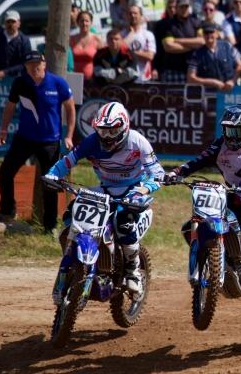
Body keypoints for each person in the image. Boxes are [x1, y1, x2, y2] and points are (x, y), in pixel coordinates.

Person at [43, 102, 163, 297]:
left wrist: (144, 189)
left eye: (112, 131)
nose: (106, 136)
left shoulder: (138, 142)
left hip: (133, 190)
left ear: (124, 127)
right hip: (105, 189)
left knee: (124, 223)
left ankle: (132, 270)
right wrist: (52, 174)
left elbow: (157, 174)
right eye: (102, 130)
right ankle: (77, 254)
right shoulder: (91, 142)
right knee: (72, 211)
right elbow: (68, 161)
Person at [164, 107, 241, 287]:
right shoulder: (220, 144)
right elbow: (199, 161)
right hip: (234, 192)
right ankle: (221, 256)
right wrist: (176, 173)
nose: (232, 137)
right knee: (199, 221)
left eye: (237, 131)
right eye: (228, 130)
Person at [0, 53, 75, 233]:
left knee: (50, 183)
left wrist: (69, 136)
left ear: (44, 64)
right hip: (24, 138)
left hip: (50, 141)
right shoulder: (20, 83)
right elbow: (10, 107)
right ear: (25, 66)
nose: (34, 67)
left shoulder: (58, 83)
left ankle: (50, 225)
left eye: (37, 63)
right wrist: (3, 130)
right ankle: (7, 210)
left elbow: (70, 108)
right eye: (30, 64)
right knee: (5, 172)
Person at [0, 9, 31, 79]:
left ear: (19, 23)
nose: (10, 24)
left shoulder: (24, 41)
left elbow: (26, 63)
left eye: (13, 22)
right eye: (8, 22)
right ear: (4, 23)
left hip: (17, 78)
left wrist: (5, 72)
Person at [187, 23, 239, 91]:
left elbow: (240, 65)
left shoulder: (228, 46)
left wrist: (233, 80)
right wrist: (211, 82)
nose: (209, 35)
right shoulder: (197, 54)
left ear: (217, 34)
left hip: (230, 92)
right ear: (203, 35)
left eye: (211, 32)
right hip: (208, 93)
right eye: (206, 33)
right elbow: (190, 78)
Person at [70, 11, 104, 79]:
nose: (84, 23)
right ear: (78, 23)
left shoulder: (97, 40)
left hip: (92, 79)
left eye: (87, 21)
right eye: (81, 21)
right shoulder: (71, 39)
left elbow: (103, 61)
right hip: (74, 78)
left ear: (91, 23)